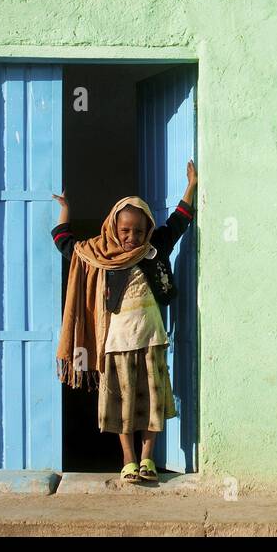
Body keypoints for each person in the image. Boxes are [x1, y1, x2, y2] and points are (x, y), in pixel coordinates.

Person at [52, 160, 196, 483]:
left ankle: (148, 460)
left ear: (148, 231)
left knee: (153, 401)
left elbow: (178, 222)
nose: (131, 237)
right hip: (115, 344)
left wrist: (191, 186)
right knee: (122, 404)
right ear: (113, 229)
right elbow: (66, 244)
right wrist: (65, 210)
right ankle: (128, 460)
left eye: (139, 231)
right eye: (125, 231)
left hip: (151, 340)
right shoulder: (101, 255)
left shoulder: (154, 249)